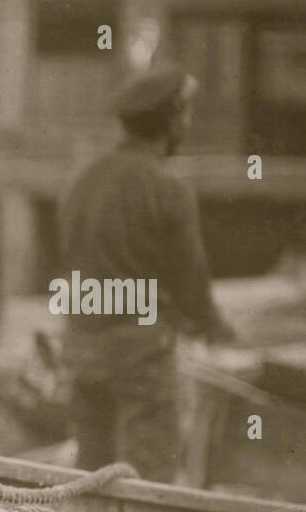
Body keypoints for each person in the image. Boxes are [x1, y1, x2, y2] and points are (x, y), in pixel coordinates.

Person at [58, 63, 236, 482]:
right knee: (150, 477)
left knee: (92, 477)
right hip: (139, 357)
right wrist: (215, 328)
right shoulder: (166, 186)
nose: (188, 124)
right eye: (186, 115)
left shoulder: (82, 180)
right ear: (172, 122)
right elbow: (191, 284)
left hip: (81, 347)